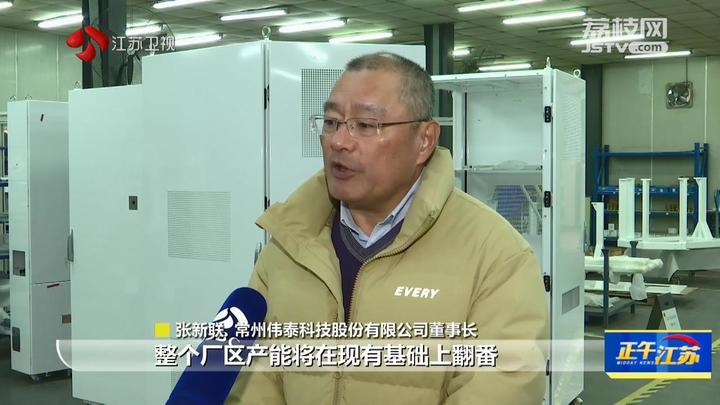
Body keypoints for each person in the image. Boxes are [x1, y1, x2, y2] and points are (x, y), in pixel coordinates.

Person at [227, 52, 548, 404]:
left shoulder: (496, 256)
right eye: (331, 121)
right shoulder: (288, 244)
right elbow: (251, 381)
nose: (338, 141)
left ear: (424, 140)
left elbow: (499, 390)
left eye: (366, 125)